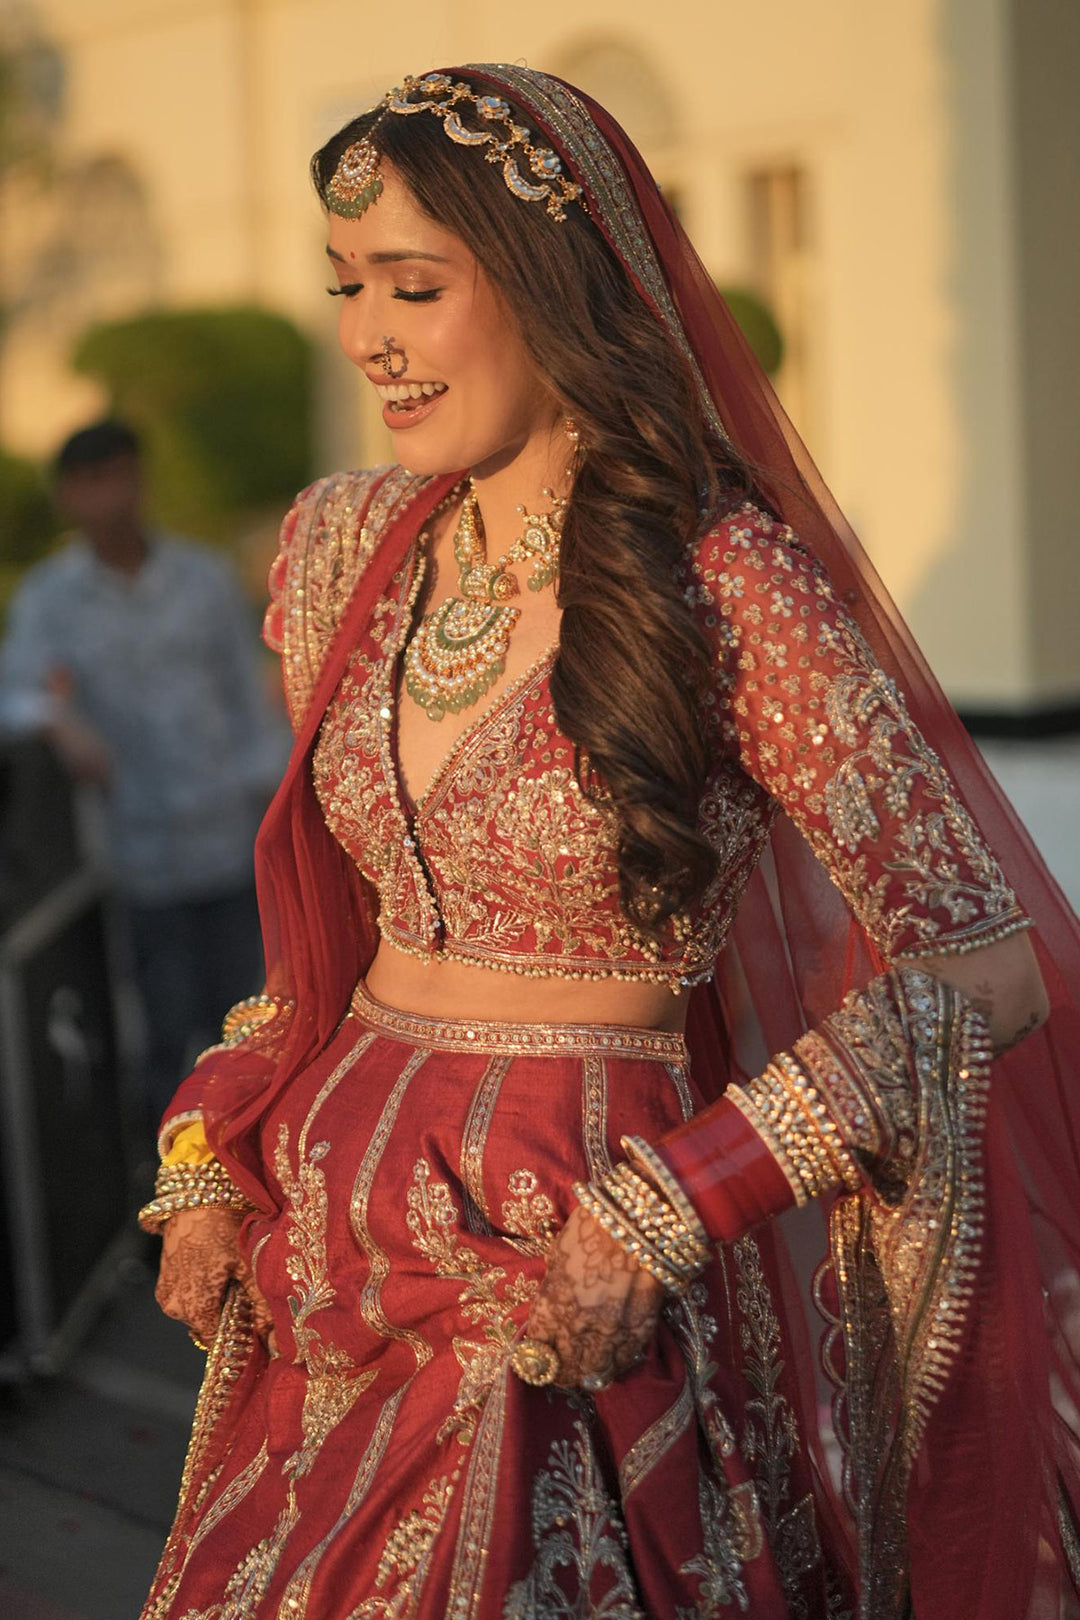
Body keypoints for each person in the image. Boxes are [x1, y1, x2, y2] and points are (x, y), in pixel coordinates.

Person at [138, 68, 1080, 1620]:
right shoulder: (336, 558)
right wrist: (216, 1139)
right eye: (347, 287)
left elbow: (987, 964)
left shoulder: (722, 584)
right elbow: (335, 955)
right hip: (325, 1286)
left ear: (551, 288)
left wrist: (686, 1195)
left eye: (417, 287)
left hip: (570, 1275)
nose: (368, 334)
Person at [0, 419, 288, 1135]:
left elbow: (245, 694)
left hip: (227, 836)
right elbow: (14, 692)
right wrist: (59, 723)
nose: (112, 498)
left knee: (250, 1024)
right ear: (68, 496)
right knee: (160, 1037)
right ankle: (165, 1196)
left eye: (122, 476)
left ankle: (248, 1184)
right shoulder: (51, 597)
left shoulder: (203, 578)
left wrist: (277, 808)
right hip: (138, 853)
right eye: (93, 483)